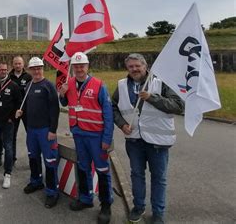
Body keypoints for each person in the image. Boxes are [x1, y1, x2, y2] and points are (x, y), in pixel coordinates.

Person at [112, 54, 184, 224]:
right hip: (134, 141)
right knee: (137, 175)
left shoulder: (161, 82)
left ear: (145, 66)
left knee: (159, 178)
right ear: (127, 68)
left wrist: (152, 98)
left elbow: (178, 105)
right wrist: (122, 124)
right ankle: (138, 207)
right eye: (131, 66)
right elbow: (113, 107)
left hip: (158, 142)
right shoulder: (122, 85)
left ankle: (158, 213)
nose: (134, 69)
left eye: (138, 66)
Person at [59, 52, 114, 224]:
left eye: (82, 65)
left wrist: (107, 139)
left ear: (87, 66)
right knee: (83, 167)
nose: (79, 69)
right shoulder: (69, 84)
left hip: (96, 136)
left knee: (102, 170)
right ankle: (85, 198)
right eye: (76, 66)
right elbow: (64, 103)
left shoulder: (99, 85)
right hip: (78, 133)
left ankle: (106, 205)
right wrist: (62, 94)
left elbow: (108, 114)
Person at [15, 57, 60, 209]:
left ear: (42, 68)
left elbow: (55, 110)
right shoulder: (27, 86)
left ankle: (52, 192)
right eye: (33, 68)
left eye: (39, 68)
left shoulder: (49, 86)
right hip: (32, 130)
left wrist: (53, 130)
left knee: (50, 161)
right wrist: (21, 112)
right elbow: (27, 106)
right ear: (29, 70)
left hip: (45, 130)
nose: (36, 71)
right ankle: (36, 181)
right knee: (33, 157)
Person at [9, 56, 32, 163]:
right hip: (14, 111)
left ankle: (33, 157)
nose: (18, 65)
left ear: (23, 64)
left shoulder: (29, 77)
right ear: (13, 65)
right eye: (16, 63)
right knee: (12, 135)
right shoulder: (9, 76)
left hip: (26, 110)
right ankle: (12, 158)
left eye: (20, 63)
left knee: (31, 134)